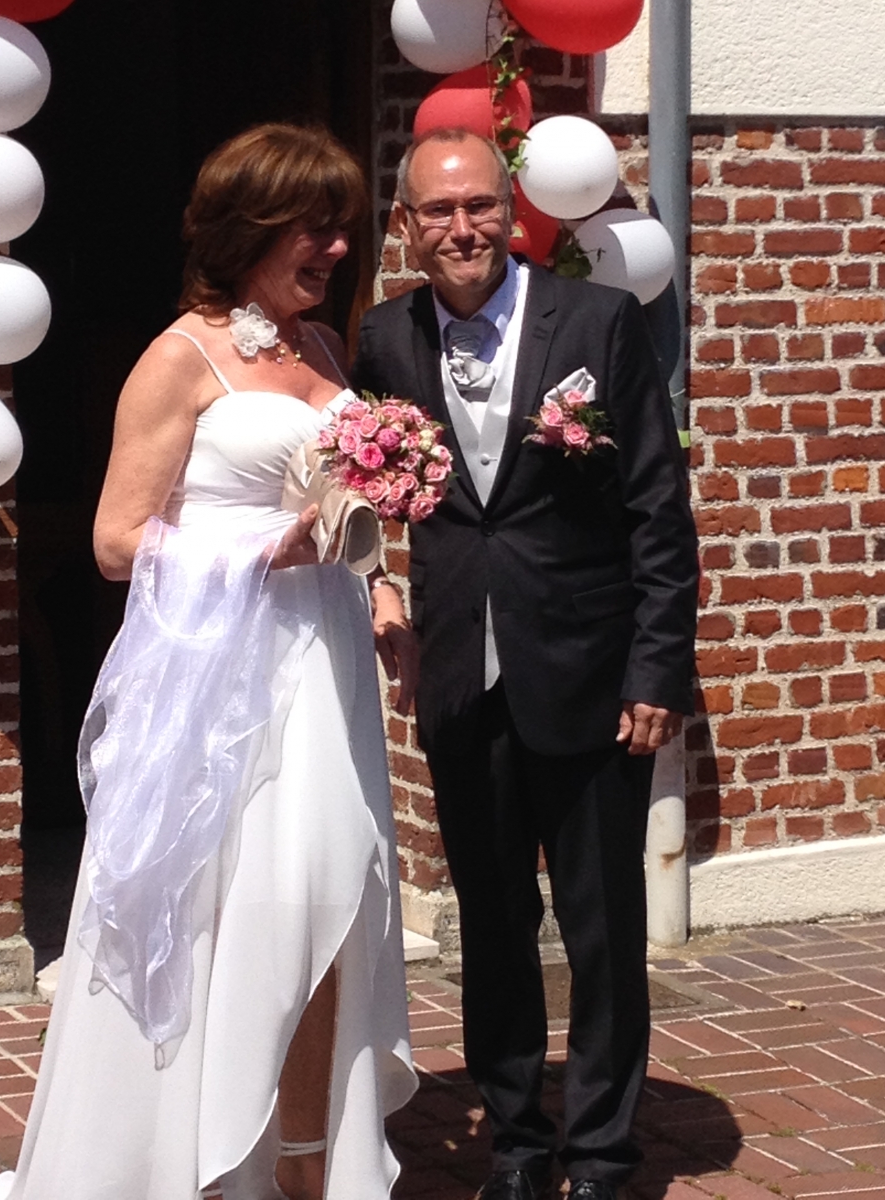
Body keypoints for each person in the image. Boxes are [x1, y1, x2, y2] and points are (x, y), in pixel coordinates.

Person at [0, 122, 418, 1200]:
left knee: (332, 899)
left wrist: (380, 583)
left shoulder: (322, 352)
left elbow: (339, 510)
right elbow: (115, 541)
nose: (335, 249)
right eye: (312, 228)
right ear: (246, 230)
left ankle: (309, 1163)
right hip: (225, 683)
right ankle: (194, 1157)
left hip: (326, 668)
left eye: (342, 228)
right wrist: (262, 552)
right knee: (237, 910)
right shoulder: (180, 357)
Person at [352, 129, 698, 1200]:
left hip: (591, 675)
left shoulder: (595, 321)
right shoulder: (384, 339)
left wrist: (656, 671)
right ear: (405, 226)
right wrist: (378, 586)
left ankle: (599, 1155)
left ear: (512, 212)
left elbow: (658, 511)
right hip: (463, 676)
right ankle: (515, 1141)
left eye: (480, 207)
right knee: (494, 924)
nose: (462, 228)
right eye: (438, 210)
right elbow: (348, 494)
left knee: (603, 932)